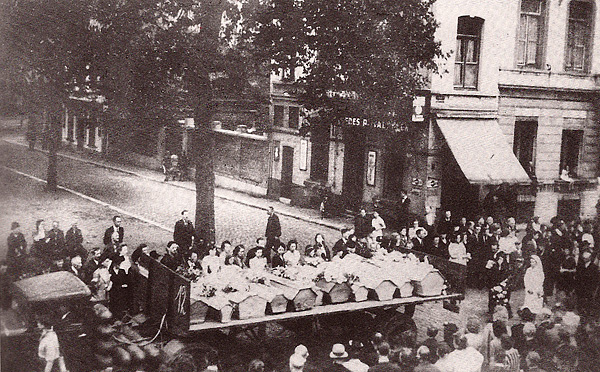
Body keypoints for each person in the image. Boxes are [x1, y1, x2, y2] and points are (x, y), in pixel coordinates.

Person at [575, 249, 599, 316]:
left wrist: (593, 289)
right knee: (580, 303)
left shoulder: (593, 267)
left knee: (588, 304)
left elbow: (595, 279)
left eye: (586, 258)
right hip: (580, 288)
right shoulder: (580, 266)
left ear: (590, 258)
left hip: (589, 289)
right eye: (584, 258)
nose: (585, 259)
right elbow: (577, 276)